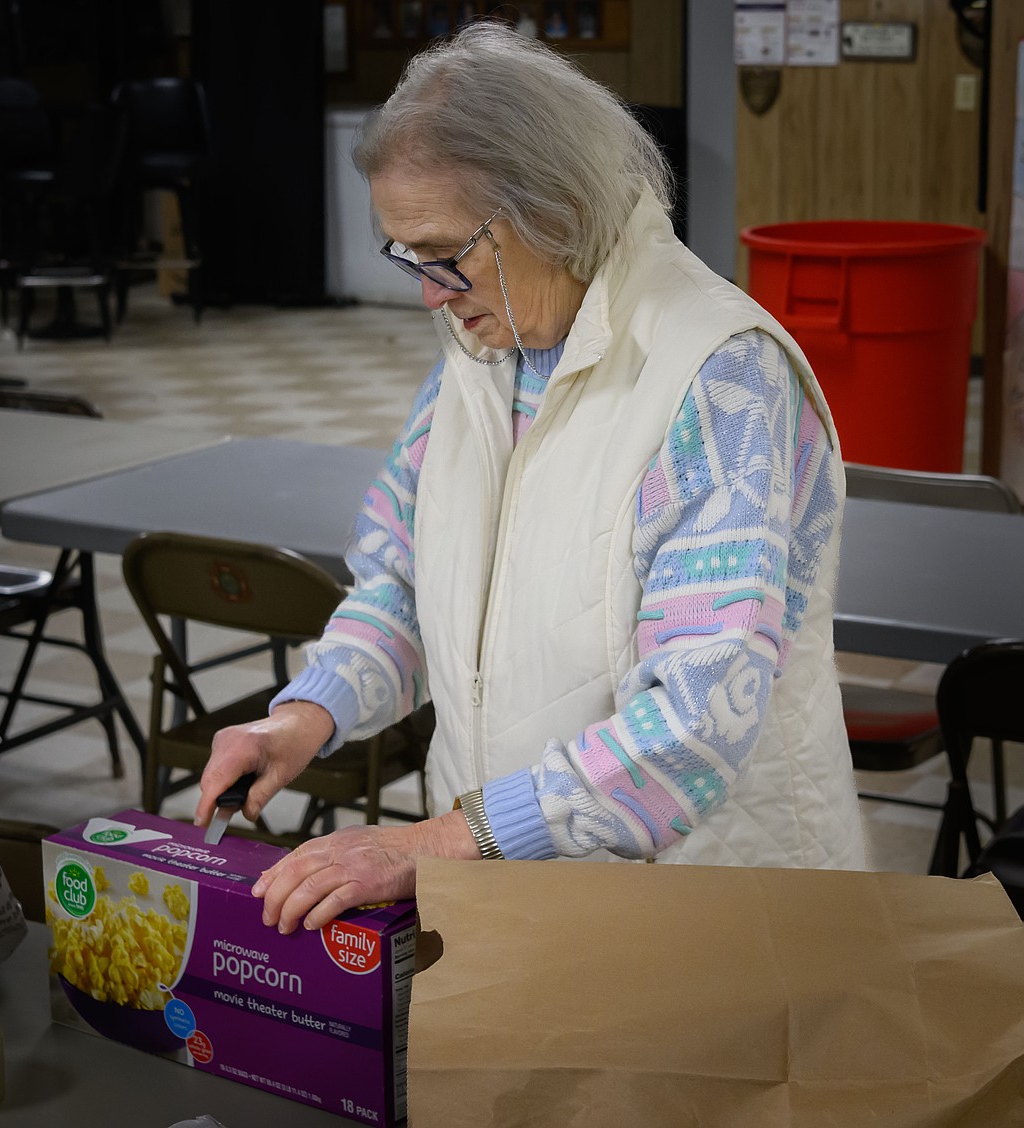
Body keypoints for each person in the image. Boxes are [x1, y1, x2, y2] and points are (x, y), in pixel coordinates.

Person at [194, 23, 868, 932]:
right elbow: (401, 584)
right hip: (509, 875)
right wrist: (307, 715)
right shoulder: (480, 352)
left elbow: (696, 720)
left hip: (707, 902)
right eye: (408, 257)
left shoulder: (715, 376)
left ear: (552, 210)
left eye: (444, 255)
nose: (430, 294)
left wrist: (425, 844)